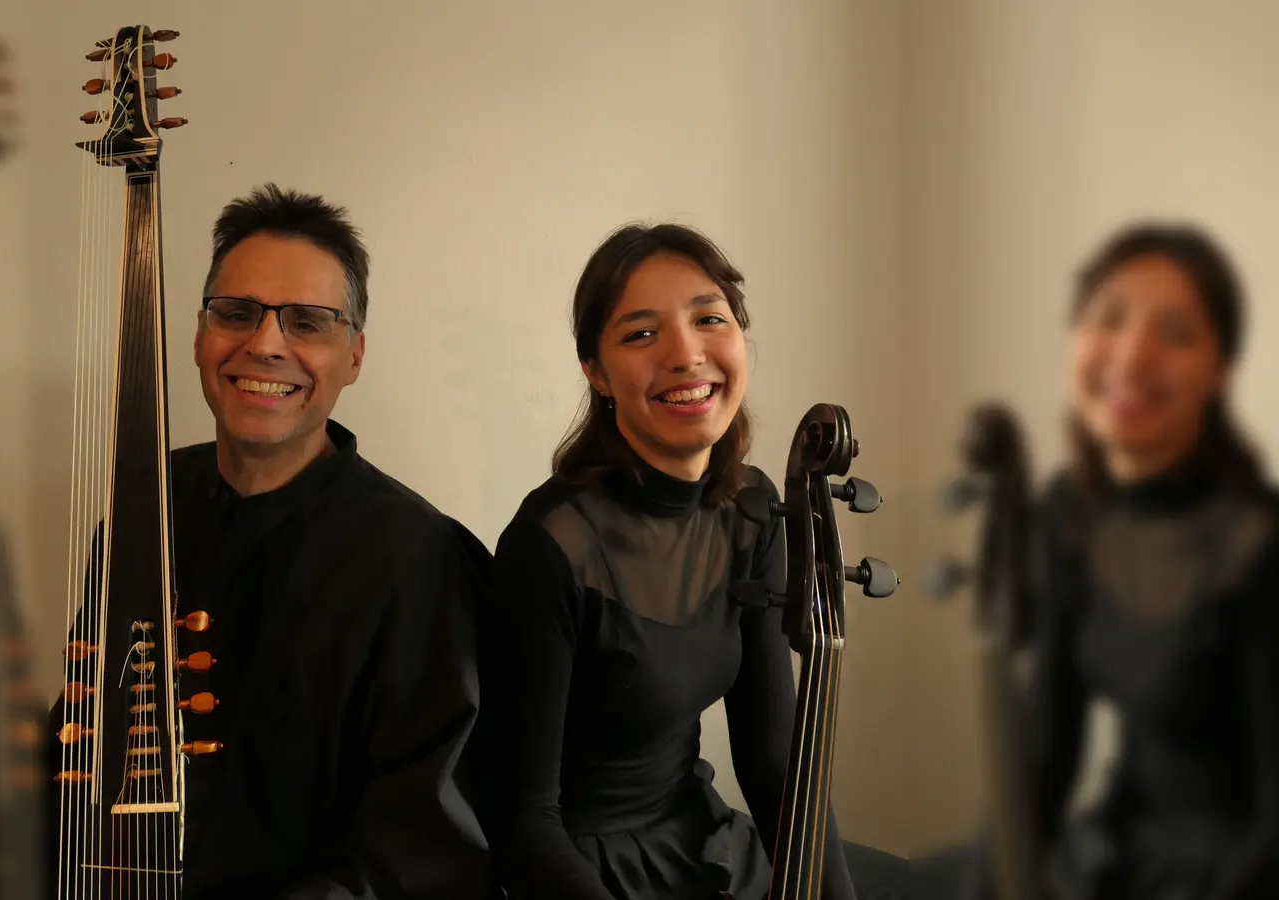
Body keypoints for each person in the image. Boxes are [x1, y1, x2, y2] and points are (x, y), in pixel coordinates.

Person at [47, 183, 494, 898]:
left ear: (354, 356)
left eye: (308, 323)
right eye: (237, 313)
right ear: (199, 337)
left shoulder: (420, 557)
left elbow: (424, 846)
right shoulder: (145, 502)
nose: (265, 343)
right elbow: (77, 746)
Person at [478, 223, 911, 900]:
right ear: (597, 373)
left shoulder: (754, 509)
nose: (686, 354)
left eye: (709, 319)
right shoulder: (552, 544)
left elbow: (772, 762)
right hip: (577, 872)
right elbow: (522, 818)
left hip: (695, 837)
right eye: (641, 334)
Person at [913, 223, 1279, 900]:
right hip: (1118, 850)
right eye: (1109, 318)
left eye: (1175, 333)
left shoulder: (1259, 544)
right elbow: (1048, 751)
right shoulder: (1070, 518)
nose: (1133, 356)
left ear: (1221, 372)